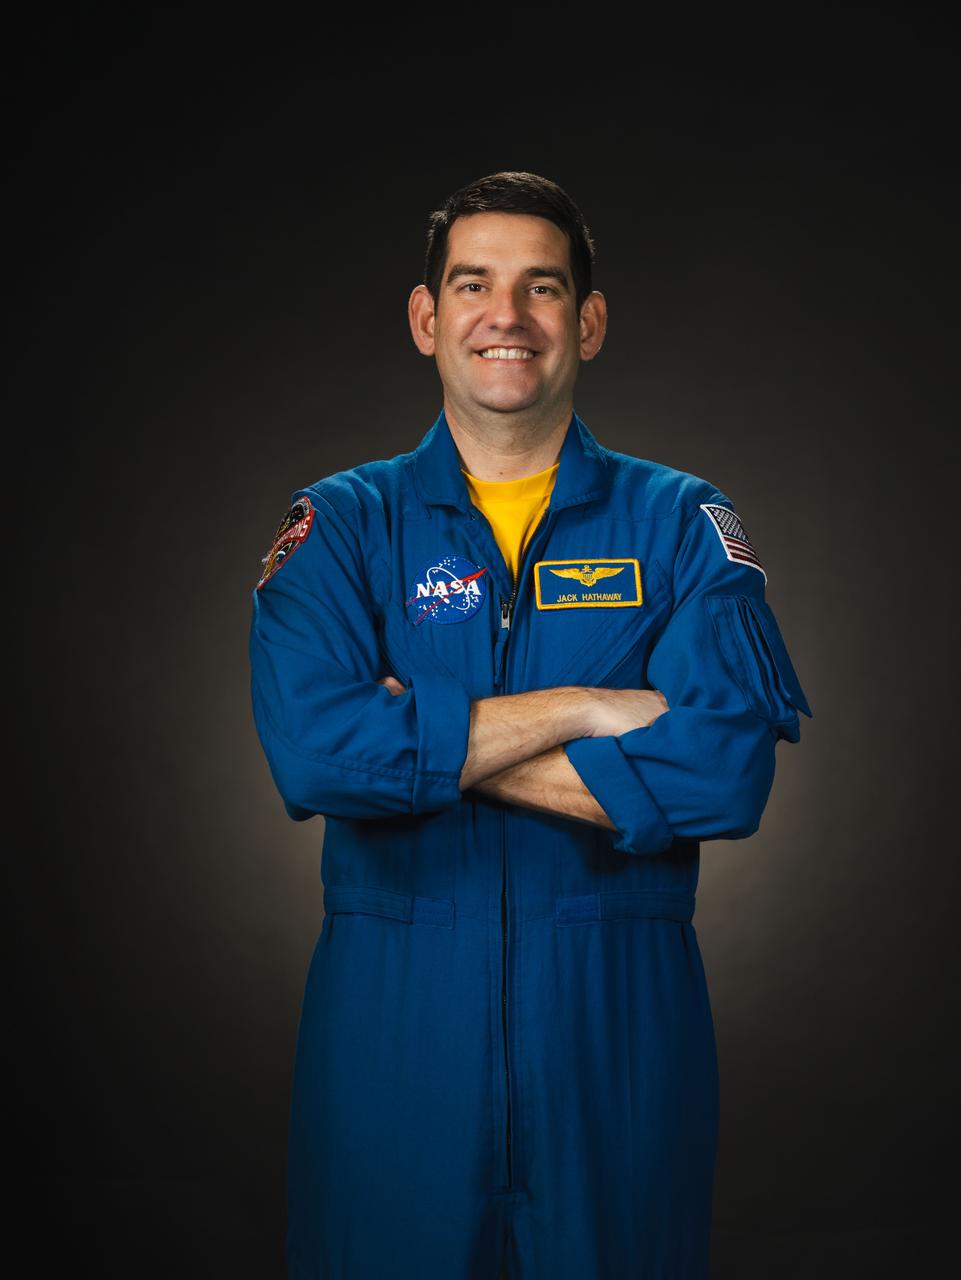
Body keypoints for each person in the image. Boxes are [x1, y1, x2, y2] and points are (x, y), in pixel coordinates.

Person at [249, 171, 812, 1280]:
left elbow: (724, 771)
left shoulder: (682, 525)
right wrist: (586, 707)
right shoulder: (343, 525)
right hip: (392, 1047)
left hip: (617, 1049)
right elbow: (316, 751)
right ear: (427, 318)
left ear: (587, 322)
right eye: (473, 284)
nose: (506, 315)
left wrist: (422, 745)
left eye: (541, 288)